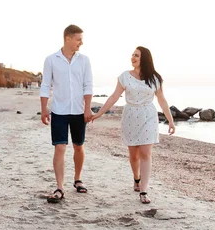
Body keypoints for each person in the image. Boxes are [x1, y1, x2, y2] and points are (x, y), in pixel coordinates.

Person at [91, 46, 175, 204]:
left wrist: (170, 120)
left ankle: (144, 190)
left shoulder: (155, 78)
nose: (133, 58)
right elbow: (114, 97)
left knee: (146, 153)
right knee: (134, 154)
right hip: (130, 116)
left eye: (136, 55)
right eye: (132, 55)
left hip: (148, 116)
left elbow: (162, 100)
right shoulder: (124, 77)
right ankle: (136, 178)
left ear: (145, 58)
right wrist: (99, 113)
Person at [40, 24, 93, 203]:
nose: (81, 42)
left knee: (79, 145)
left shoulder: (84, 60)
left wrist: (87, 108)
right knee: (60, 147)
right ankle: (59, 187)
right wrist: (44, 108)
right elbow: (46, 85)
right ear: (68, 39)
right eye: (78, 39)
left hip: (79, 110)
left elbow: (88, 85)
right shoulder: (51, 60)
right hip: (59, 111)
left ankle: (77, 179)